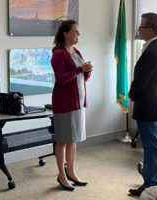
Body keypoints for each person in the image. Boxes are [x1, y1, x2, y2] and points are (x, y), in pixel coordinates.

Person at [128, 13, 157, 196]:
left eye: (141, 26)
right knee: (152, 145)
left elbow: (141, 81)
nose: (138, 30)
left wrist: (131, 94)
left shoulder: (153, 51)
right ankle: (149, 177)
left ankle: (151, 186)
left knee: (152, 146)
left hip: (148, 105)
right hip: (156, 104)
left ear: (151, 30)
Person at [51, 20, 93, 191]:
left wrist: (87, 71)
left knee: (73, 139)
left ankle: (71, 172)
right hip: (64, 103)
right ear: (65, 33)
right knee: (63, 139)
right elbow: (61, 80)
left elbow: (82, 78)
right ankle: (61, 175)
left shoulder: (76, 51)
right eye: (75, 32)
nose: (78, 35)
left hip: (78, 103)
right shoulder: (58, 54)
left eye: (78, 32)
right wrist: (79, 69)